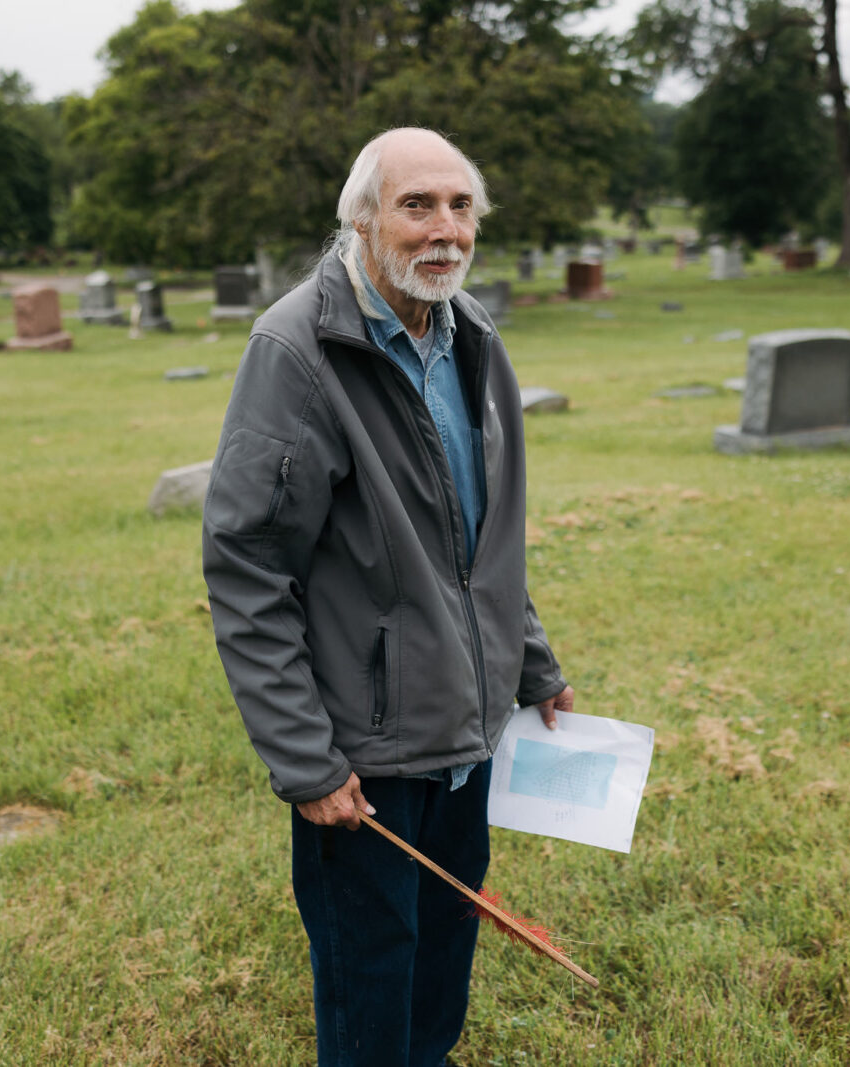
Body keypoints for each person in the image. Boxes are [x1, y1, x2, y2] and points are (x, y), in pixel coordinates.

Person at [202, 127, 575, 1067]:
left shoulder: (470, 334)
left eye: (461, 207)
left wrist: (529, 662)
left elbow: (481, 538)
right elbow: (250, 568)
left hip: (469, 724)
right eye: (417, 206)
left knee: (446, 947)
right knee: (372, 975)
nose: (444, 229)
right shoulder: (298, 350)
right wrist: (305, 759)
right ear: (363, 219)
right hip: (363, 752)